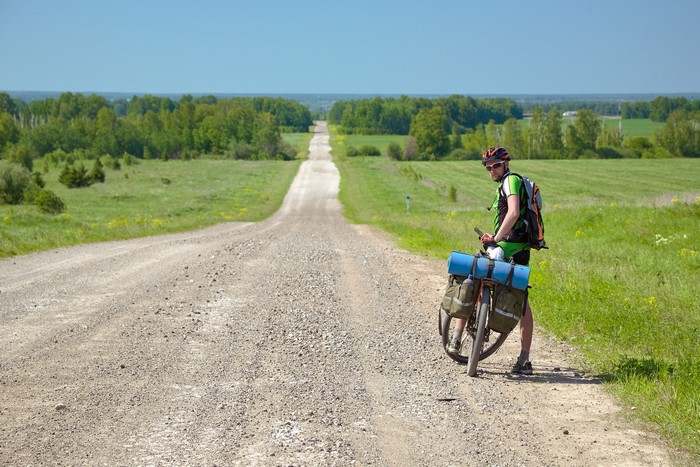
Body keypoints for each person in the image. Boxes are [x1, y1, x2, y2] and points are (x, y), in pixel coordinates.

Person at [447, 146, 534, 375]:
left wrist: (495, 238)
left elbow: (513, 212)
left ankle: (456, 338)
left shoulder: (510, 181)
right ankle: (524, 359)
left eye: (496, 165)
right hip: (521, 249)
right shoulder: (509, 183)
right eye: (488, 167)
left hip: (506, 247)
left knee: (474, 279)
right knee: (520, 300)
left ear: (506, 164)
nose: (491, 170)